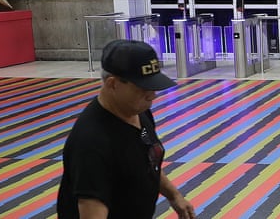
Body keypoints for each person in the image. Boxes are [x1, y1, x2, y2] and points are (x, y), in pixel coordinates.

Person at [57, 39, 196, 218]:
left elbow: (147, 160)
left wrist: (174, 195)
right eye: (144, 88)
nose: (152, 95)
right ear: (113, 84)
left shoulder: (139, 113)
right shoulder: (92, 143)